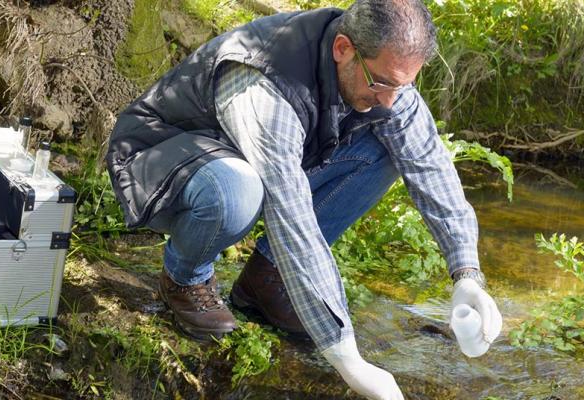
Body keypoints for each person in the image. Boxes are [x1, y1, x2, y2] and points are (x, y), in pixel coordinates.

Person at [106, 0, 503, 398]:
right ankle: (184, 279)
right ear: (343, 49)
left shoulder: (381, 77)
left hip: (238, 156)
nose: (390, 100)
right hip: (162, 155)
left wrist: (466, 275)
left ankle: (265, 280)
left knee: (390, 148)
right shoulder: (267, 77)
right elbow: (289, 210)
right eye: (383, 83)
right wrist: (348, 359)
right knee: (238, 190)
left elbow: (429, 164)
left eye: (403, 85)